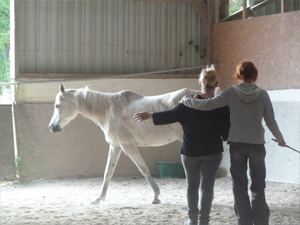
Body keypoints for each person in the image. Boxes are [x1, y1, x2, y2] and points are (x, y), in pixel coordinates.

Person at [180, 60, 286, 225]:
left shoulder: (231, 92)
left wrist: (187, 102)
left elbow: (208, 105)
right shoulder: (263, 94)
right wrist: (280, 139)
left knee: (239, 185)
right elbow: (271, 121)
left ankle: (243, 221)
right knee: (258, 186)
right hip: (257, 144)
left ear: (239, 75)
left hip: (237, 144)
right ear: (254, 75)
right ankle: (260, 222)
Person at [134, 65, 230, 225]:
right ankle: (204, 220)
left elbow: (169, 115)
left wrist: (149, 115)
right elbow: (225, 134)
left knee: (191, 187)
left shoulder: (188, 103)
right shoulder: (221, 106)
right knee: (207, 188)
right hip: (212, 152)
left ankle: (192, 219)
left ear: (200, 84)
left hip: (190, 152)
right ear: (217, 83)